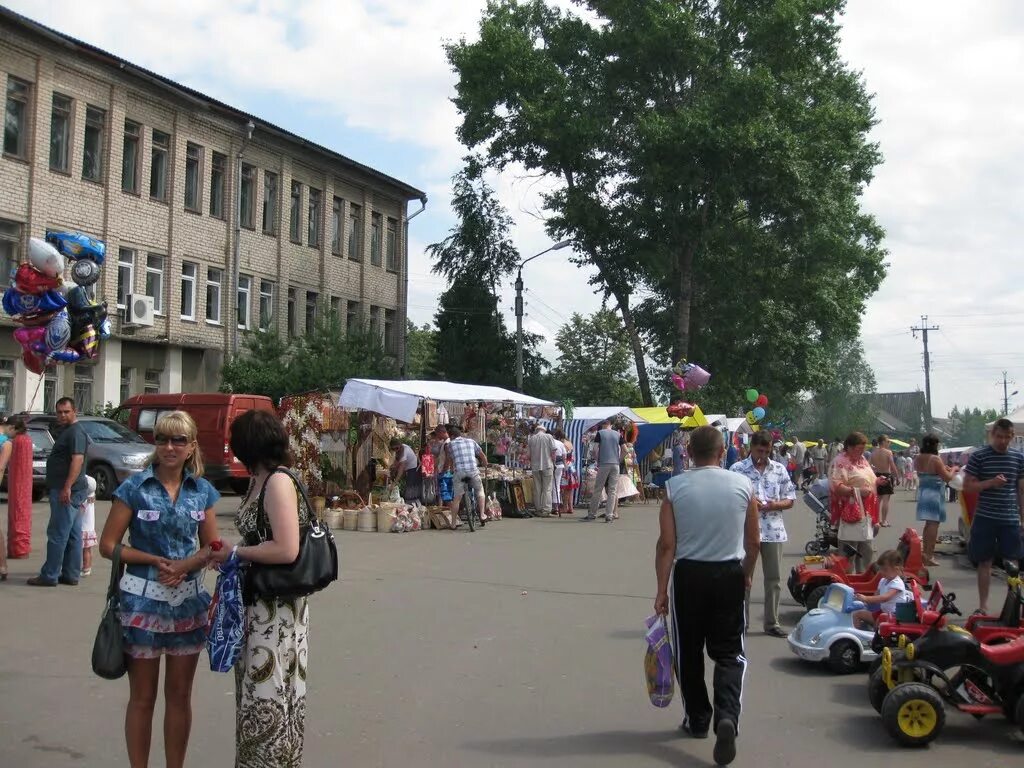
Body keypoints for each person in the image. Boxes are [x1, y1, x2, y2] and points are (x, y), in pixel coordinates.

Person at [99, 411, 220, 768]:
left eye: (178, 440)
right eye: (162, 439)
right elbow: (108, 545)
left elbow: (211, 547)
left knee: (180, 696)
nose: (169, 447)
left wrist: (186, 566)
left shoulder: (203, 491)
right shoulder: (134, 488)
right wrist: (153, 560)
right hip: (141, 604)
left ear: (191, 446)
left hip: (188, 605)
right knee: (142, 698)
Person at [208, 409, 310, 767]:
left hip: (277, 610)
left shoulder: (278, 482)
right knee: (255, 694)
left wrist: (236, 552)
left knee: (270, 693)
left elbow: (286, 548)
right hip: (258, 605)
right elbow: (261, 536)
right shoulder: (259, 480)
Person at [654, 426, 759, 766]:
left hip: (688, 575)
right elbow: (754, 542)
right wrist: (746, 575)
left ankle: (698, 718)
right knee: (730, 653)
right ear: (722, 450)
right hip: (728, 572)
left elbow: (667, 544)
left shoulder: (675, 487)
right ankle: (727, 716)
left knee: (689, 651)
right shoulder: (743, 485)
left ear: (689, 452)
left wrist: (660, 591)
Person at [731, 431, 796, 637]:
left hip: (773, 531)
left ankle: (772, 622)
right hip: (745, 531)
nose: (763, 455)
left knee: (774, 579)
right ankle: (742, 622)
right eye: (760, 450)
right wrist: (750, 504)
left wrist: (774, 504)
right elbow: (729, 498)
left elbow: (790, 499)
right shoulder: (737, 469)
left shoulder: (779, 469)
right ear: (751, 447)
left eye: (767, 451)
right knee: (743, 578)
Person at [962, 418, 1024, 614]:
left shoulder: (1018, 458)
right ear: (992, 435)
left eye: (1007, 437)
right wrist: (990, 483)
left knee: (1013, 563)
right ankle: (983, 606)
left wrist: (1023, 517)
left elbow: (1022, 490)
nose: (1003, 441)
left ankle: (1014, 606)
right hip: (985, 517)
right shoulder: (979, 456)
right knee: (984, 561)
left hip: (1010, 518)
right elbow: (967, 486)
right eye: (999, 436)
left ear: (1013, 437)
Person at [28, 398, 89, 587]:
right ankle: (70, 574)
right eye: (59, 412)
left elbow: (77, 460)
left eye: (66, 412)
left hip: (67, 490)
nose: (62, 415)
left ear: (74, 411)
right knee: (72, 534)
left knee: (57, 534)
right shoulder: (69, 431)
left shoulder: (76, 433)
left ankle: (49, 575)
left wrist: (67, 487)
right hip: (71, 489)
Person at [829, 432, 884, 574]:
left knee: (866, 549)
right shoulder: (840, 462)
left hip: (867, 512)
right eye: (858, 449)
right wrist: (856, 491)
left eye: (863, 449)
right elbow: (836, 486)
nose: (861, 452)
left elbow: (869, 479)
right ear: (849, 447)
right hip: (852, 510)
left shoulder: (862, 460)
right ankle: (847, 583)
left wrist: (878, 481)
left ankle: (865, 580)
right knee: (849, 550)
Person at [915, 434, 956, 567]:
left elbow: (928, 472)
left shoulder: (918, 458)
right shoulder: (935, 458)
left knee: (928, 524)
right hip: (934, 492)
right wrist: (954, 470)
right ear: (935, 445)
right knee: (934, 524)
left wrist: (944, 470)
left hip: (923, 490)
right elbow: (947, 478)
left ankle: (925, 554)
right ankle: (929, 555)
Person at [852, 550, 912, 629]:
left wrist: (866, 598)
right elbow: (876, 595)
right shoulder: (883, 580)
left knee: (880, 621)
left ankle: (874, 639)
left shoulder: (897, 583)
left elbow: (885, 598)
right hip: (883, 612)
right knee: (857, 614)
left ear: (896, 569)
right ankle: (858, 635)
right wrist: (862, 601)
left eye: (885, 569)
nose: (881, 572)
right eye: (880, 569)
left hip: (895, 616)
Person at [442, 424, 488, 527]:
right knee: (480, 491)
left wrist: (446, 471)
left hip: (460, 473)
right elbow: (482, 456)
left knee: (457, 498)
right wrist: (485, 464)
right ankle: (482, 514)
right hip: (473, 471)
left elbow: (449, 461)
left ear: (452, 436)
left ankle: (453, 523)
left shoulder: (450, 445)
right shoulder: (471, 441)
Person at [585, 420, 624, 522]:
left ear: (602, 426)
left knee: (598, 489)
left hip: (604, 464)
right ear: (611, 425)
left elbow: (595, 449)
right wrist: (619, 460)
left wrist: (597, 460)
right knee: (612, 490)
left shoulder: (600, 433)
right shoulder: (618, 434)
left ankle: (592, 514)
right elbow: (625, 449)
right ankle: (609, 514)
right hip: (615, 464)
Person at [6, 417, 33, 560]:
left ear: (13, 428)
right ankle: (18, 548)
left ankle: (18, 549)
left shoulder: (18, 441)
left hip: (19, 484)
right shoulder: (25, 440)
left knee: (18, 513)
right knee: (20, 512)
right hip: (21, 484)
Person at [869, 435, 900, 527]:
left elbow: (868, 464)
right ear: (882, 442)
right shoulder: (888, 452)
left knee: (878, 500)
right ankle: (884, 520)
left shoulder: (873, 453)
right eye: (888, 441)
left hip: (877, 476)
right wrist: (897, 476)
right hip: (886, 476)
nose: (889, 443)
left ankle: (876, 520)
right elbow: (892, 464)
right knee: (886, 500)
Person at [527, 424, 555, 517]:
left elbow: (528, 456)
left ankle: (538, 508)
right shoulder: (549, 437)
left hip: (535, 466)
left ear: (536, 430)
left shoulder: (531, 439)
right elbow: (553, 451)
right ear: (544, 430)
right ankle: (546, 509)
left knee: (537, 488)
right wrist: (554, 462)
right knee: (547, 488)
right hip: (547, 465)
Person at [388, 438, 420, 503]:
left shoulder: (405, 451)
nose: (395, 450)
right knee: (403, 483)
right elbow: (397, 461)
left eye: (396, 448)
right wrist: (393, 468)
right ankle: (403, 497)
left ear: (400, 445)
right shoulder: (399, 450)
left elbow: (401, 469)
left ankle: (410, 502)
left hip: (412, 467)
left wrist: (394, 483)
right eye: (393, 449)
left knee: (409, 484)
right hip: (407, 466)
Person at [555, 429, 577, 516]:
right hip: (572, 466)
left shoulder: (562, 444)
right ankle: (570, 507)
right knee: (570, 489)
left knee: (564, 488)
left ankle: (564, 507)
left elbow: (563, 456)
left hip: (566, 466)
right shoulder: (569, 442)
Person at [0, 418, 12, 579]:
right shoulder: (7, 443)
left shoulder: (5, 443)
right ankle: (2, 566)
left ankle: (2, 565)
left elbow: (1, 466)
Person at [80, 474, 97, 576]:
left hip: (83, 528)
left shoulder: (84, 501)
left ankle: (85, 568)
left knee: (83, 550)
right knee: (88, 550)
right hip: (90, 528)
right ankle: (88, 567)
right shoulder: (92, 498)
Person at [551, 428, 567, 517]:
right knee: (556, 485)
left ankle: (552, 506)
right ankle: (556, 507)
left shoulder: (550, 442)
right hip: (560, 465)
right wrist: (565, 467)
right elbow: (564, 457)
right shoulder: (561, 443)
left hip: (552, 465)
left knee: (550, 485)